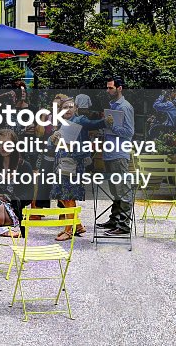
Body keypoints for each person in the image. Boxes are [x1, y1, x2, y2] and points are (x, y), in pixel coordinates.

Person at [49, 98, 105, 240]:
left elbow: (94, 124)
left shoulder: (80, 120)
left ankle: (69, 230)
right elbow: (53, 144)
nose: (68, 109)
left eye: (70, 107)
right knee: (61, 195)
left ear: (76, 108)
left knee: (68, 196)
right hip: (61, 161)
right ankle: (78, 225)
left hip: (73, 163)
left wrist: (105, 121)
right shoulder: (62, 123)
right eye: (65, 107)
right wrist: (52, 138)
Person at [99, 77, 136, 236]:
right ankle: (114, 219)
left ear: (119, 88)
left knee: (123, 189)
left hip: (119, 154)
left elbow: (129, 132)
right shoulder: (113, 106)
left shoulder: (125, 107)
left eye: (111, 88)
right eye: (107, 88)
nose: (108, 91)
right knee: (115, 189)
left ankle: (124, 225)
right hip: (110, 153)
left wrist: (111, 125)